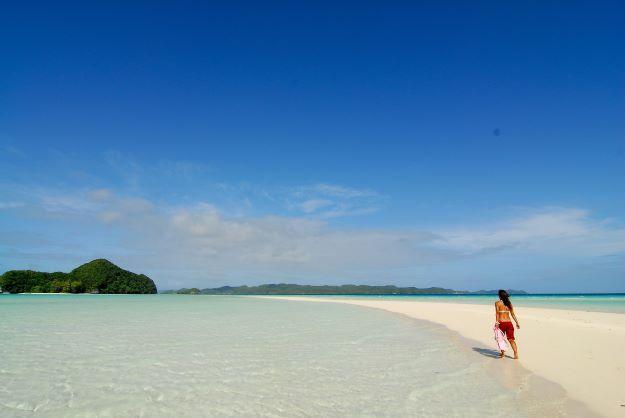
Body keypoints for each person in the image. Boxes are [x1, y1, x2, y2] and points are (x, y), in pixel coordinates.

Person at [495, 289, 520, 359]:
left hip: (501, 323)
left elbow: (497, 313)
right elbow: (513, 314)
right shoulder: (509, 303)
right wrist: (517, 322)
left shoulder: (497, 303)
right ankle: (516, 353)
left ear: (500, 296)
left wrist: (496, 322)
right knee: (511, 339)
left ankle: (503, 354)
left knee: (500, 339)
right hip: (509, 323)